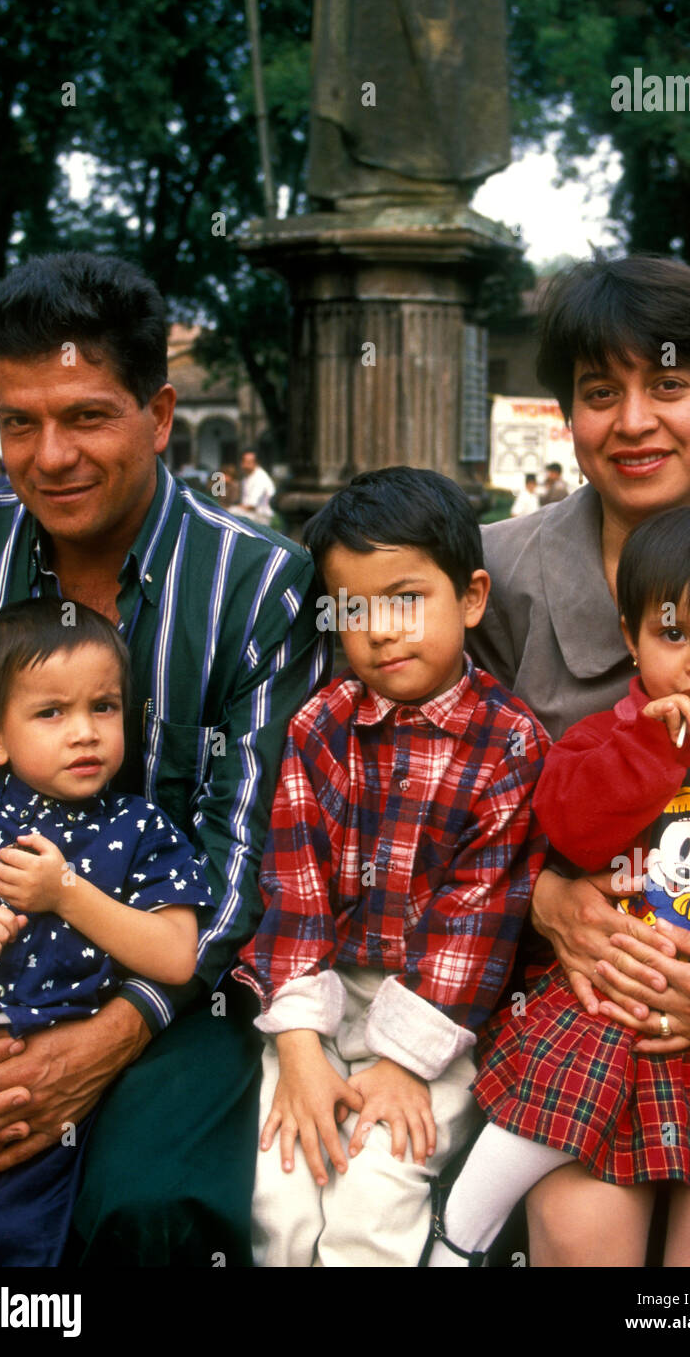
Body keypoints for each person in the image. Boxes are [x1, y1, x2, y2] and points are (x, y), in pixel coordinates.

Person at [0, 252, 329, 1267]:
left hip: (173, 990)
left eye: (86, 416)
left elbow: (240, 867)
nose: (48, 454)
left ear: (158, 415)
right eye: (20, 419)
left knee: (150, 1213)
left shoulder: (257, 586)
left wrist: (103, 1039)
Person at [467, 253, 690, 1265]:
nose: (632, 421)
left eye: (669, 386)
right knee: (578, 1238)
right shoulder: (496, 577)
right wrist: (543, 897)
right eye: (597, 393)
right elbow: (430, 798)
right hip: (578, 1007)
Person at [430, 507, 690, 1266]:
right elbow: (572, 831)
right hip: (603, 1011)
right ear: (631, 636)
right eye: (674, 635)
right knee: (546, 1146)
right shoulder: (602, 739)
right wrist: (648, 746)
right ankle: (456, 1236)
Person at [234, 467, 549, 1266]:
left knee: (376, 1188)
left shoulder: (510, 743)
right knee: (278, 1180)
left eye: (407, 598)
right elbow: (293, 895)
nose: (382, 629)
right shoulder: (320, 726)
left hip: (443, 1016)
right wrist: (301, 1048)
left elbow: (478, 926)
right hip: (325, 992)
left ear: (471, 598)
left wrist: (405, 1064)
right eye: (355, 609)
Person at [0, 598, 212, 1265]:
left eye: (103, 708)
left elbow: (175, 957)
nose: (84, 732)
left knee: (24, 1249)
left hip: (47, 1106)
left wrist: (67, 895)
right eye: (51, 713)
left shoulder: (140, 829)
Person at [233, 448, 276, 525]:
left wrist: (234, 508)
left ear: (256, 463)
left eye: (248, 462)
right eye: (243, 462)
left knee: (230, 513)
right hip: (251, 514)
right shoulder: (247, 477)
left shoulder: (260, 478)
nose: (244, 465)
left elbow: (251, 505)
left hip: (260, 517)